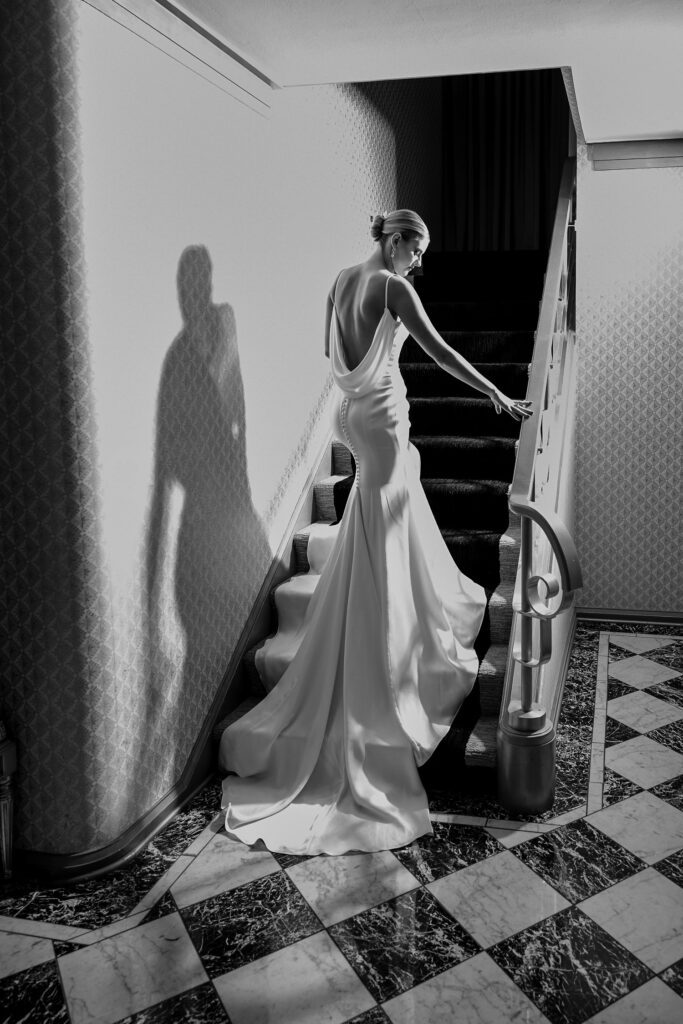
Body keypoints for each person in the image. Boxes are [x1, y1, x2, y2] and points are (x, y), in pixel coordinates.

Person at [219, 209, 532, 855]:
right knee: (383, 522)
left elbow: (329, 352)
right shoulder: (393, 288)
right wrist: (495, 392)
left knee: (377, 515)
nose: (418, 263)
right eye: (416, 250)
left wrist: (366, 375)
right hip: (383, 415)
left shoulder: (338, 281)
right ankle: (383, 649)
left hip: (350, 414)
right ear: (395, 240)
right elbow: (439, 350)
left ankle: (380, 617)